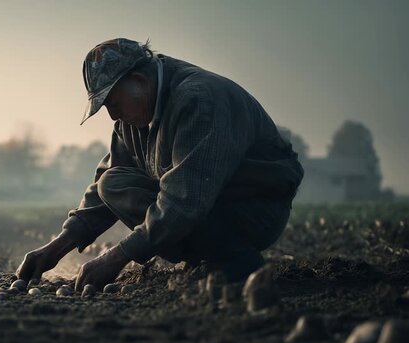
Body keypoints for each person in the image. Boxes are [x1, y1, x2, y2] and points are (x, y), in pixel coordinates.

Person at [16, 38, 304, 292]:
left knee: (174, 205)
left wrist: (116, 257)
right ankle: (207, 255)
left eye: (113, 103)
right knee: (112, 183)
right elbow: (108, 182)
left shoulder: (199, 100)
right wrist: (57, 246)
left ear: (139, 82)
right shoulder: (135, 113)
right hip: (210, 204)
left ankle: (235, 259)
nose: (112, 115)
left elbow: (184, 201)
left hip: (254, 209)